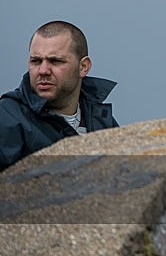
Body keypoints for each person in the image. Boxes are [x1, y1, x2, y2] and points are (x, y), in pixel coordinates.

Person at [0, 21, 119, 171]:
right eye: (36, 61)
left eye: (55, 61)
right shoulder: (7, 118)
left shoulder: (100, 119)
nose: (43, 70)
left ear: (83, 67)